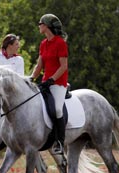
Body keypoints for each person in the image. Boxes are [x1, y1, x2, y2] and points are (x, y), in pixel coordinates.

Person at [30, 14, 68, 155]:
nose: (39, 26)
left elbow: (63, 66)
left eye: (40, 23)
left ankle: (59, 142)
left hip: (58, 83)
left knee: (57, 109)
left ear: (47, 26)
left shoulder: (60, 43)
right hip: (45, 83)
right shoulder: (43, 43)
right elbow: (39, 65)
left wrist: (52, 79)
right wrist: (32, 78)